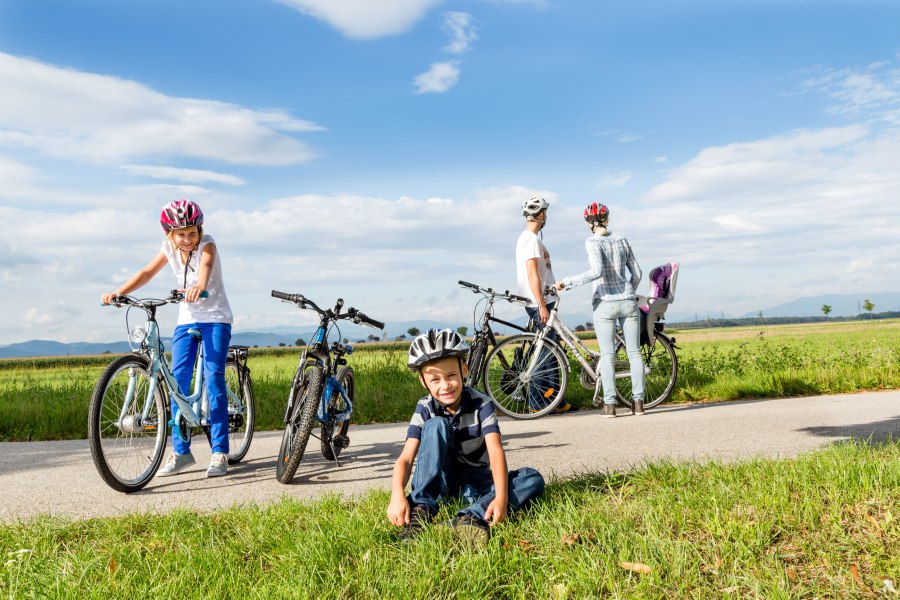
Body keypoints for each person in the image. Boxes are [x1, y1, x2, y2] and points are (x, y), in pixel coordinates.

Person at [101, 199, 234, 476]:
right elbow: (147, 272)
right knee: (177, 381)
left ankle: (220, 451)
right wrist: (119, 292)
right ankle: (181, 452)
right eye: (180, 234)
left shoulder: (207, 244)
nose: (187, 239)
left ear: (199, 229)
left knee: (213, 377)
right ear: (170, 235)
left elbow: (206, 267)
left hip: (215, 317)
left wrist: (199, 285)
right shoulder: (168, 249)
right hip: (187, 319)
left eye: (191, 233)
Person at [387, 329, 545, 544]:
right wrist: (397, 495)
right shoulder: (425, 408)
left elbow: (496, 453)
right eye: (435, 379)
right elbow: (405, 458)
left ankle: (470, 517)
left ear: (464, 369)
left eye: (451, 375)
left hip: (478, 481)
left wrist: (501, 498)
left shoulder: (482, 404)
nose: (445, 385)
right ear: (423, 381)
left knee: (531, 477)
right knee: (436, 425)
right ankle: (420, 511)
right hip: (442, 482)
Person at [554, 202, 644, 417]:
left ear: (588, 222)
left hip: (605, 302)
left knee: (608, 354)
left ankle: (610, 405)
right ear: (607, 218)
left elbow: (596, 271)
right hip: (628, 301)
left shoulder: (592, 242)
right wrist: (628, 290)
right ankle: (639, 404)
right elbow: (638, 272)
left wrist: (566, 282)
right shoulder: (622, 239)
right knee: (634, 352)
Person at [515, 196, 575, 413]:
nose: (546, 216)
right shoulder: (530, 239)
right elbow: (532, 274)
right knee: (546, 352)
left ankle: (553, 399)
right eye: (545, 212)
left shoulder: (531, 239)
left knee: (553, 350)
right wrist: (540, 304)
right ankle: (537, 401)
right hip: (539, 302)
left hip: (545, 299)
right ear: (540, 214)